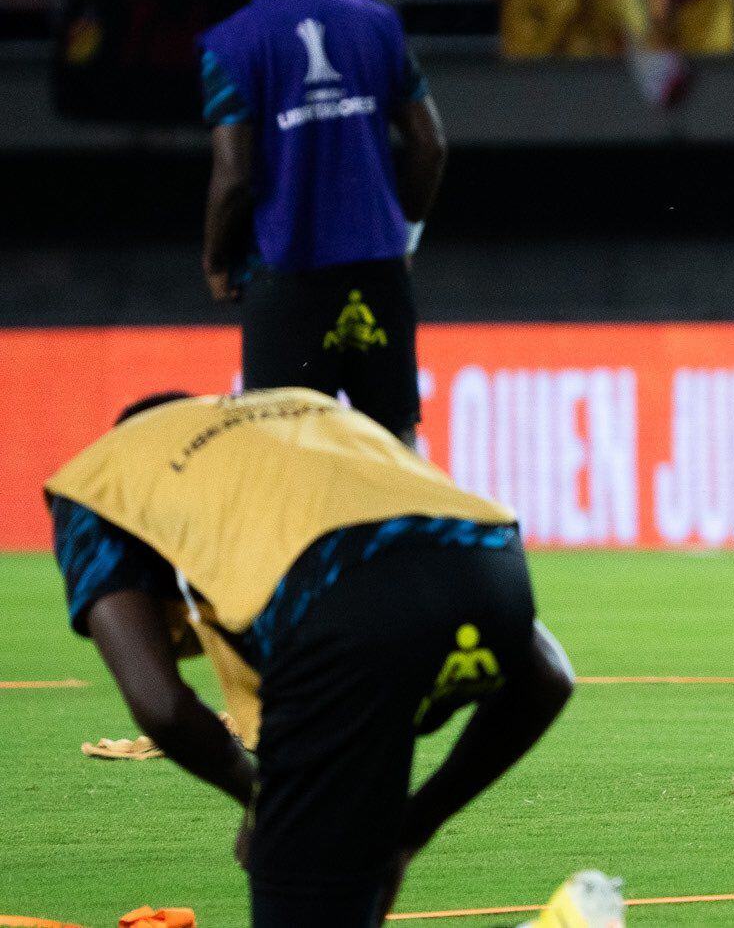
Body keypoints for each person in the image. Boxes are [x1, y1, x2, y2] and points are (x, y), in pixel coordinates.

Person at [46, 388, 574, 926]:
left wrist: (264, 801)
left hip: (336, 615)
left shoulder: (101, 478)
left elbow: (162, 707)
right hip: (494, 568)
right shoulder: (301, 410)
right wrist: (408, 832)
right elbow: (549, 677)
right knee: (350, 877)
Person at [200, 0, 447, 445]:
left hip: (290, 280)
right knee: (394, 451)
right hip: (380, 276)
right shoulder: (377, 24)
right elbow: (431, 146)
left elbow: (234, 178)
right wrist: (404, 234)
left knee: (285, 461)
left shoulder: (231, 46)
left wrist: (217, 258)